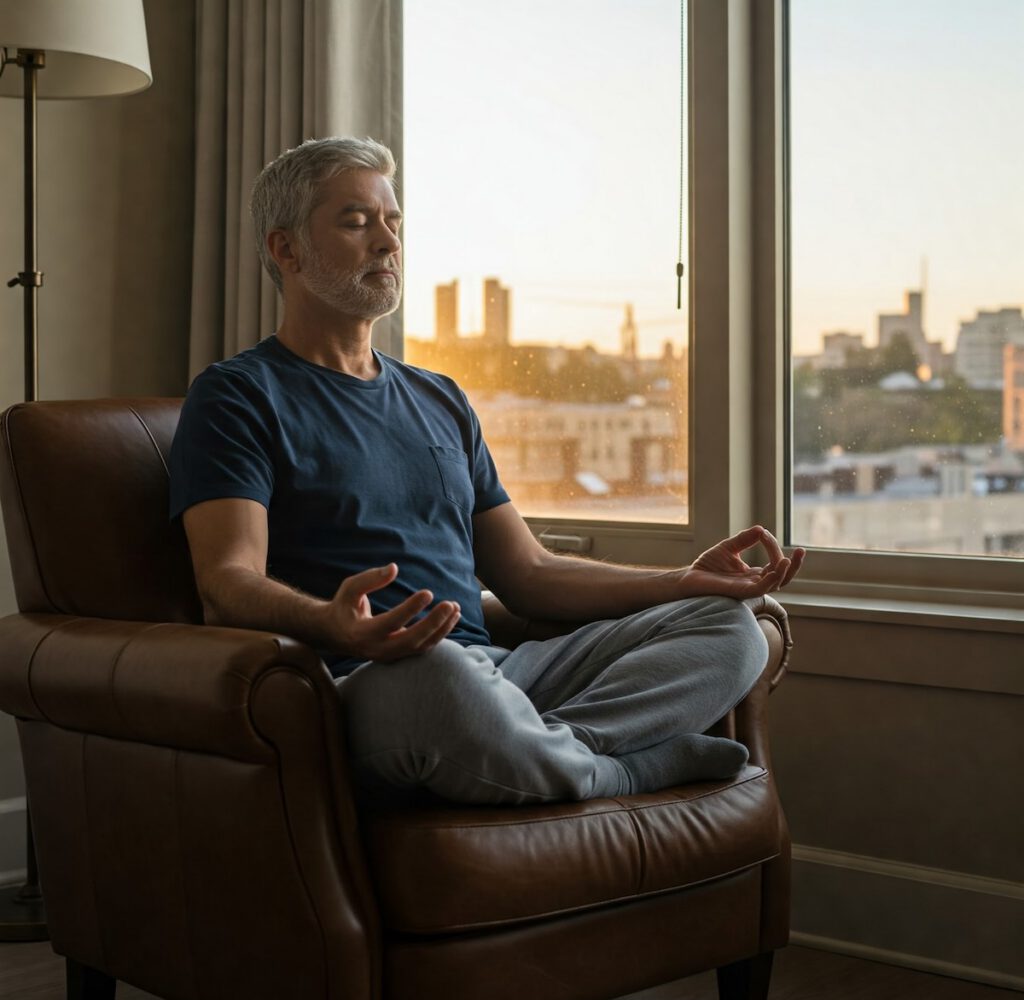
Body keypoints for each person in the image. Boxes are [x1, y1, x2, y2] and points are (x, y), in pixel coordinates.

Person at [169, 136, 805, 806]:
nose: (386, 242)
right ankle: (621, 770)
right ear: (286, 250)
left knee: (730, 627)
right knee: (435, 675)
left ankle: (541, 752)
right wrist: (333, 622)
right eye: (356, 222)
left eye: (393, 223)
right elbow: (226, 582)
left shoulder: (440, 398)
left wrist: (683, 581)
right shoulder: (238, 395)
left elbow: (529, 575)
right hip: (369, 681)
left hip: (504, 677)